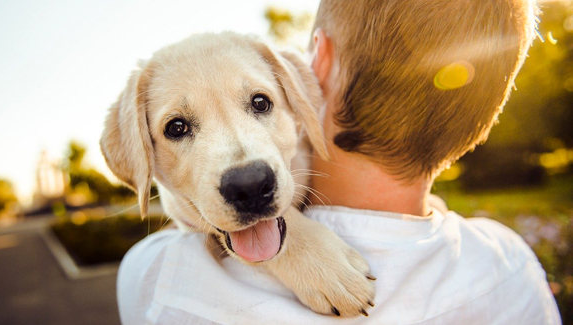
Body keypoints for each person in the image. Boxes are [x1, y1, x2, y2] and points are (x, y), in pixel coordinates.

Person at [117, 0, 561, 323]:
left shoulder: (158, 280)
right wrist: (291, 245)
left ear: (315, 69)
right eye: (178, 128)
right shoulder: (513, 267)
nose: (245, 169)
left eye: (258, 102)